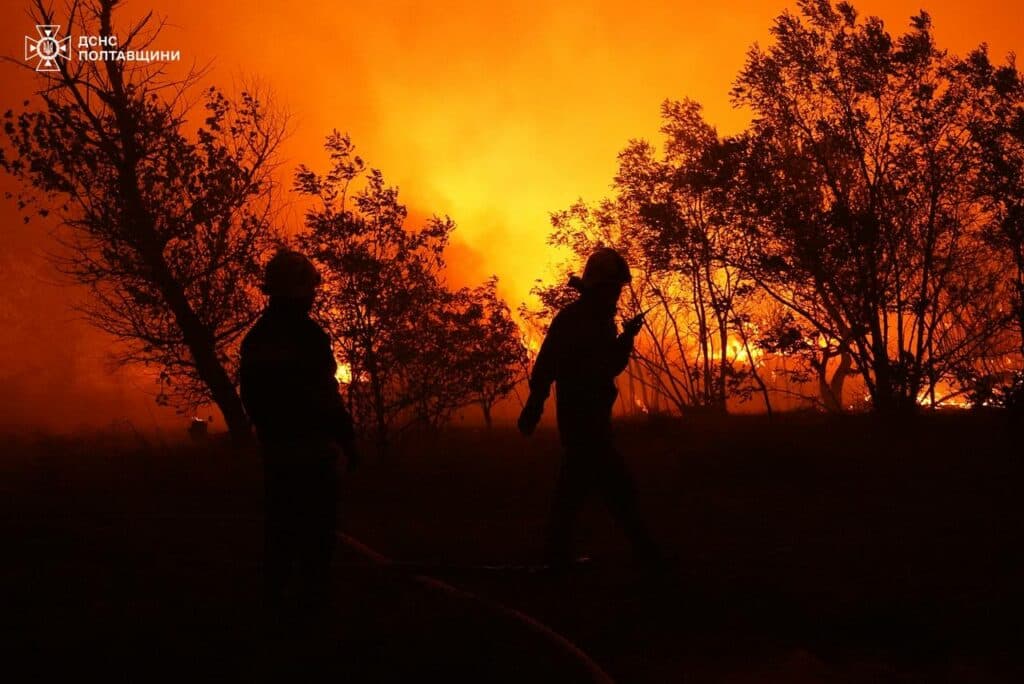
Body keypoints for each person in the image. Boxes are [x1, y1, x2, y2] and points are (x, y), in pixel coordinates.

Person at [518, 247, 662, 570]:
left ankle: (555, 558)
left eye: (618, 289)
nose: (616, 295)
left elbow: (608, 365)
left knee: (576, 490)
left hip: (592, 420)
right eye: (613, 288)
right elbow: (546, 366)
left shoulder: (598, 321)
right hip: (582, 421)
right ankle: (649, 557)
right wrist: (534, 406)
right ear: (600, 287)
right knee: (615, 489)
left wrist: (625, 338)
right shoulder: (574, 321)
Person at [239, 249, 359, 628]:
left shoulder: (257, 338)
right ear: (301, 292)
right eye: (310, 290)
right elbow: (324, 395)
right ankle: (311, 612)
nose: (313, 297)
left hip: (277, 451)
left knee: (280, 531)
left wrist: (268, 432)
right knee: (316, 536)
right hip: (312, 452)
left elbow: (252, 396)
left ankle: (273, 607)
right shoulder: (308, 337)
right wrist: (347, 440)